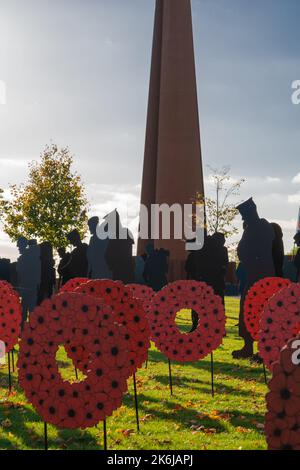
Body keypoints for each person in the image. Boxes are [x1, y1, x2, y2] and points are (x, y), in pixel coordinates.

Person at [232, 198, 275, 359]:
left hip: (262, 276)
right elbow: (242, 249)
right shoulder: (250, 228)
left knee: (262, 311)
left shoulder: (264, 227)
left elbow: (258, 250)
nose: (244, 219)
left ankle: (264, 348)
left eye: (245, 216)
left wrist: (249, 255)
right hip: (252, 275)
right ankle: (247, 345)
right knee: (246, 309)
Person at [105, 210, 135, 284]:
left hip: (120, 272)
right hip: (123, 271)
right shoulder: (123, 232)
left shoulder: (118, 235)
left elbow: (108, 254)